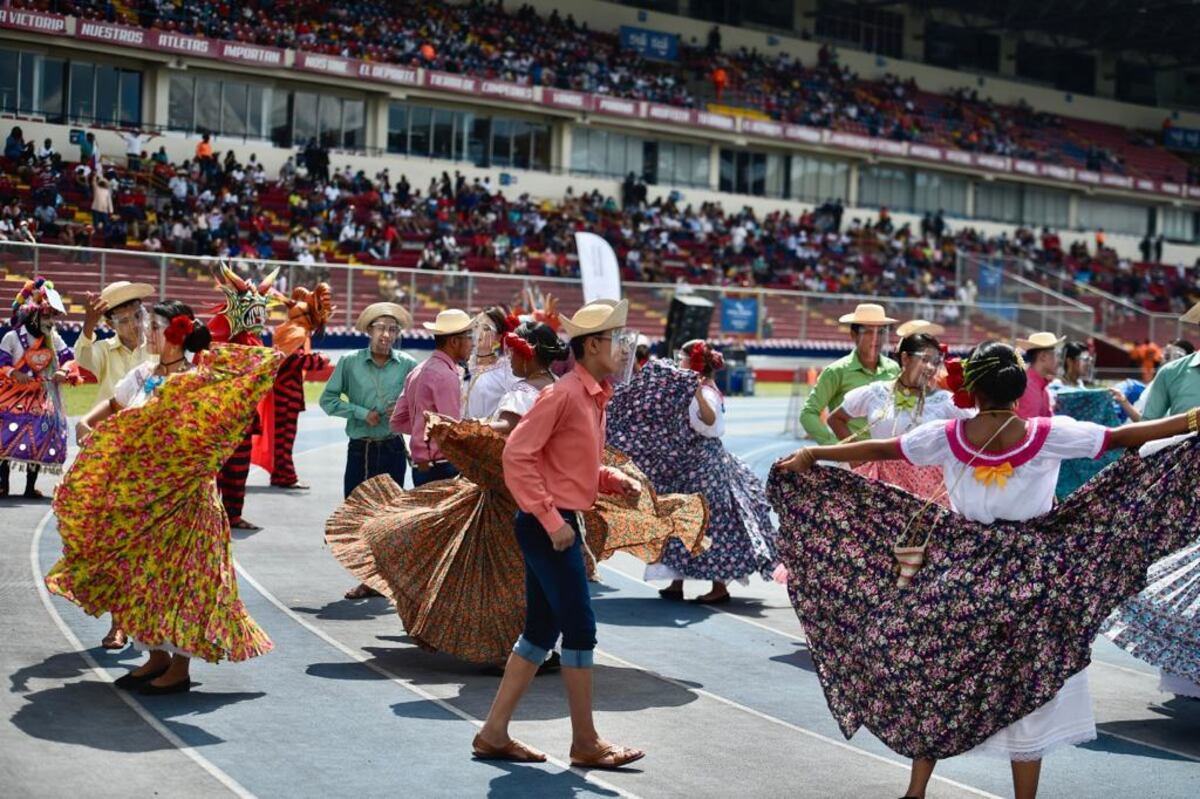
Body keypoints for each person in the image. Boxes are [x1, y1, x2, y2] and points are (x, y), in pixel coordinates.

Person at [773, 340, 1200, 799]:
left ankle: (916, 791)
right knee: (1030, 686)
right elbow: (1127, 437)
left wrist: (814, 455)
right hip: (1032, 581)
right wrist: (1194, 420)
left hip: (960, 573)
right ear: (1018, 391)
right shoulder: (1049, 433)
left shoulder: (946, 435)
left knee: (934, 673)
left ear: (971, 391)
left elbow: (884, 447)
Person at [49, 303, 280, 695]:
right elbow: (116, 404)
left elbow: (254, 373)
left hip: (186, 503)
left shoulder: (198, 381)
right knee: (143, 579)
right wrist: (88, 422)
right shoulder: (144, 374)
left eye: (154, 326)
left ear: (176, 333)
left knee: (181, 582)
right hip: (144, 503)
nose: (147, 331)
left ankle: (180, 667)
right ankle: (155, 657)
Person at [473, 299, 645, 769]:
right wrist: (552, 521)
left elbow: (565, 463)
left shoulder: (593, 397)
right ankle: (585, 742)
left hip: (555, 522)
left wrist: (610, 479)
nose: (623, 349)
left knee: (540, 631)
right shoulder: (563, 395)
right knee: (580, 629)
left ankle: (493, 733)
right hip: (548, 527)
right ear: (591, 346)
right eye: (616, 339)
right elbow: (517, 456)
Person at [610, 340, 776, 604]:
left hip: (705, 465)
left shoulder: (705, 391)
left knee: (711, 521)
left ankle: (718, 586)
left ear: (694, 362)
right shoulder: (689, 385)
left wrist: (696, 391)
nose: (679, 361)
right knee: (681, 518)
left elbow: (710, 421)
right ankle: (677, 582)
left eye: (683, 357)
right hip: (688, 463)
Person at [1104, 300, 1200, 699]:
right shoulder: (1174, 373)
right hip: (1183, 491)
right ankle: (1182, 669)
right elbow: (1149, 431)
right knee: (1177, 576)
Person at [319, 302, 417, 600]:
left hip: (393, 448)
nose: (386, 335)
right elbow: (328, 400)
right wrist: (361, 413)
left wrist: (402, 409)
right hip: (360, 449)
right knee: (358, 516)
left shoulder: (409, 365)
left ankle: (384, 580)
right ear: (369, 331)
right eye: (381, 328)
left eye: (392, 330)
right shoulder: (350, 362)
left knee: (389, 518)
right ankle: (366, 578)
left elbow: (420, 405)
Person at [830, 324, 973, 499]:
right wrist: (856, 459)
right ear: (905, 358)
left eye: (935, 362)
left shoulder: (944, 401)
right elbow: (836, 419)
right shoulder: (876, 393)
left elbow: (978, 428)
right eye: (925, 359)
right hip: (880, 487)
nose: (931, 368)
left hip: (927, 491)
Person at [209, 263, 279, 531]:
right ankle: (211, 516)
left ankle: (234, 515)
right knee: (215, 468)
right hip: (218, 416)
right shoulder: (217, 335)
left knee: (239, 469)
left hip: (245, 416)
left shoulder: (254, 341)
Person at [0, 278, 78, 499]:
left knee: (39, 432)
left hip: (41, 396)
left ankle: (29, 487)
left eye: (52, 316)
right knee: (3, 436)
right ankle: (3, 483)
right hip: (11, 395)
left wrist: (64, 371)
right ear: (33, 315)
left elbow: (68, 359)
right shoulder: (12, 337)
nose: (51, 321)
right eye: (46, 316)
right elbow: (2, 362)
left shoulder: (53, 338)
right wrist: (14, 373)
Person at [251, 283, 333, 490]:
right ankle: (286, 476)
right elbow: (298, 360)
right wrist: (321, 359)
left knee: (282, 437)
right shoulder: (295, 334)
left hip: (283, 393)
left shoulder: (286, 331)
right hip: (287, 395)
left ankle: (280, 474)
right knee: (285, 437)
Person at [390, 309, 474, 486]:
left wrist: (421, 436)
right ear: (454, 341)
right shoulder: (445, 376)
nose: (472, 344)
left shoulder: (417, 371)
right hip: (442, 467)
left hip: (422, 467)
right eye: (469, 337)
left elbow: (397, 421)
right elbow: (452, 431)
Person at [800, 303, 900, 444]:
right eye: (868, 332)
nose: (876, 338)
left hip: (885, 452)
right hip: (851, 455)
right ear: (854, 335)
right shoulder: (836, 371)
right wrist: (833, 445)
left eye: (881, 332)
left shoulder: (894, 369)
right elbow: (808, 413)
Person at [75, 281, 155, 404]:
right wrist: (89, 326)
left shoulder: (157, 347)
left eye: (138, 315)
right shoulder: (104, 349)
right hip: (111, 416)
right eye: (124, 321)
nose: (134, 324)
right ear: (110, 324)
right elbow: (83, 361)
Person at [463, 305, 518, 419]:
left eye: (485, 328)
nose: (478, 332)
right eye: (476, 326)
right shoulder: (463, 366)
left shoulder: (506, 371)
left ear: (498, 337)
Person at [1014, 332, 1063, 419]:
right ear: (1043, 356)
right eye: (1056, 355)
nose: (1058, 360)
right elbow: (1027, 426)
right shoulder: (1027, 387)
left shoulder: (1040, 388)